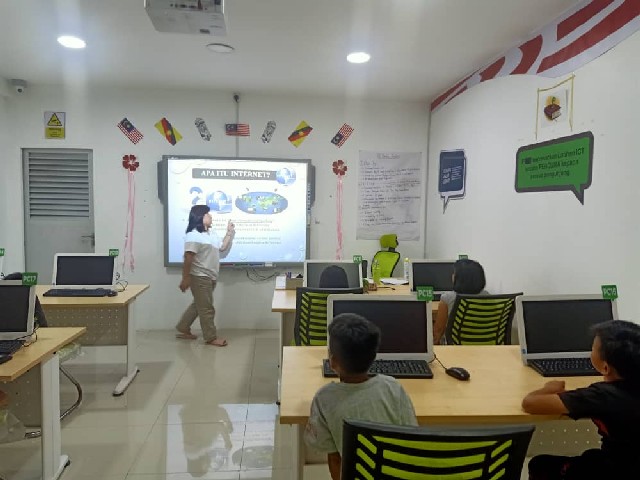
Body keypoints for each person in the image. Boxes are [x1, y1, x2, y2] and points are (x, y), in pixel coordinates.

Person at [304, 313, 417, 479]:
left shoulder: (324, 399)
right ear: (373, 357)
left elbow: (335, 460)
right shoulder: (393, 387)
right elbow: (411, 436)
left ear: (333, 361)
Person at [522, 320, 640, 479]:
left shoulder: (601, 396)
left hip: (618, 470)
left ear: (605, 368)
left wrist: (549, 388)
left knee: (540, 464)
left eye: (592, 349)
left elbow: (530, 403)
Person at [176, 204, 234, 346]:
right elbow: (188, 257)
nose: (210, 216)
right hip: (199, 276)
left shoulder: (211, 233)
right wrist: (186, 278)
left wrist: (229, 233)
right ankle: (210, 337)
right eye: (208, 214)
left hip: (210, 276)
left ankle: (183, 327)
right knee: (207, 308)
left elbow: (222, 247)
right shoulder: (193, 235)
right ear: (200, 217)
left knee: (199, 304)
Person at [435, 259, 488, 343]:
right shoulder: (487, 296)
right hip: (486, 346)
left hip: (456, 347)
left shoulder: (447, 298)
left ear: (459, 278)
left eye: (454, 273)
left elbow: (439, 330)